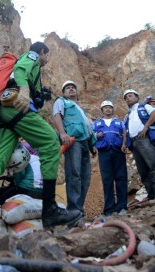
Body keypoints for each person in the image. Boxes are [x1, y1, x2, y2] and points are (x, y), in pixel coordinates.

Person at [0, 42, 83, 241]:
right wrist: (24, 90)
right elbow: (21, 69)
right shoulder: (32, 56)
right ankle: (50, 211)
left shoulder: (36, 74)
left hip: (5, 112)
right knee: (50, 143)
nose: (47, 60)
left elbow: (32, 93)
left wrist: (38, 95)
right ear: (42, 52)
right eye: (47, 56)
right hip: (16, 105)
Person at [52, 80, 96, 217]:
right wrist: (62, 133)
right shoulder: (61, 102)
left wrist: (92, 145)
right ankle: (73, 210)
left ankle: (79, 209)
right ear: (64, 92)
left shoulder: (80, 109)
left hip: (85, 143)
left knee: (86, 177)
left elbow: (88, 128)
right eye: (68, 88)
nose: (71, 89)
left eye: (73, 88)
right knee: (74, 174)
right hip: (73, 141)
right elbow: (57, 115)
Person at [123, 89, 155, 201]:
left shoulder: (144, 106)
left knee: (153, 165)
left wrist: (146, 126)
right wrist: (124, 143)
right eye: (126, 97)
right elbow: (125, 130)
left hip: (144, 139)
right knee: (143, 170)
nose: (128, 98)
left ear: (137, 97)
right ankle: (152, 195)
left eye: (130, 95)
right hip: (133, 143)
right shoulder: (127, 115)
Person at [91, 100, 129, 216]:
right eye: (106, 107)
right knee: (107, 180)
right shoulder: (96, 123)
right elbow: (90, 135)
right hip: (104, 153)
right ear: (102, 110)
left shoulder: (119, 122)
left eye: (110, 107)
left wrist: (124, 144)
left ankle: (122, 206)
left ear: (113, 110)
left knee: (121, 178)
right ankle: (109, 209)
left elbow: (124, 134)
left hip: (118, 152)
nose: (108, 109)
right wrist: (95, 137)